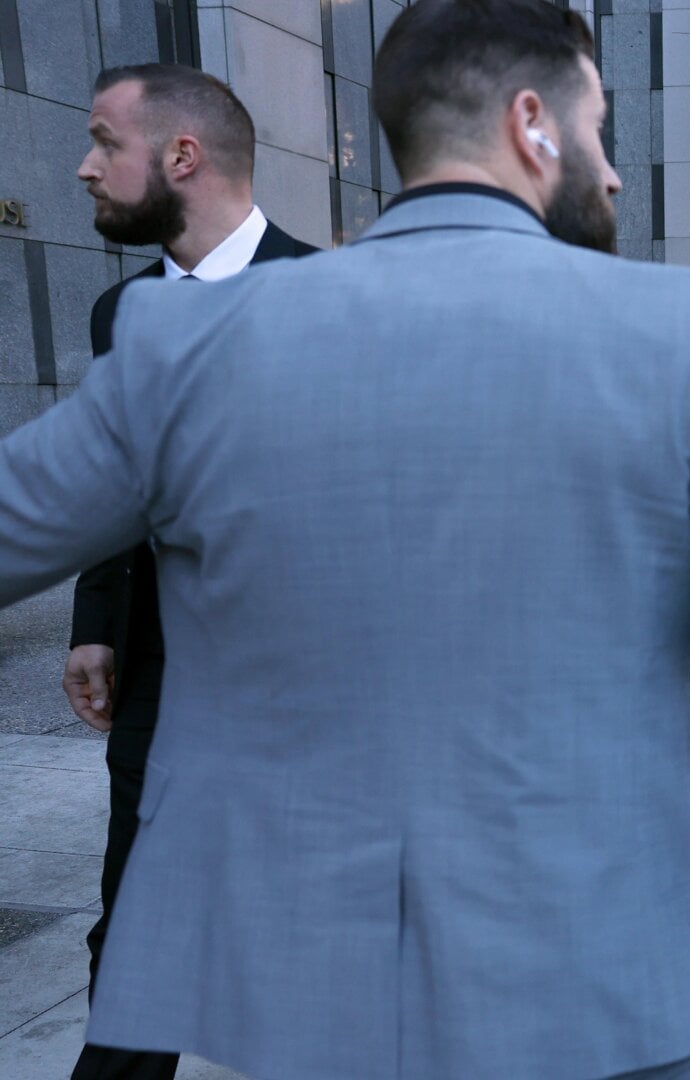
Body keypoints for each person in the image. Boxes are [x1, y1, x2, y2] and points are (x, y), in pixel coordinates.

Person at [0, 2, 690, 1076]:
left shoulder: (191, 344)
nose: (613, 175)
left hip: (343, 1024)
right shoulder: (676, 338)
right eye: (599, 131)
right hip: (640, 1001)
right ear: (531, 123)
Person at [64, 61, 319, 1080]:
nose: (83, 167)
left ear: (183, 157)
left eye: (104, 144)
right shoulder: (118, 318)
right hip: (165, 696)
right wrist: (96, 618)